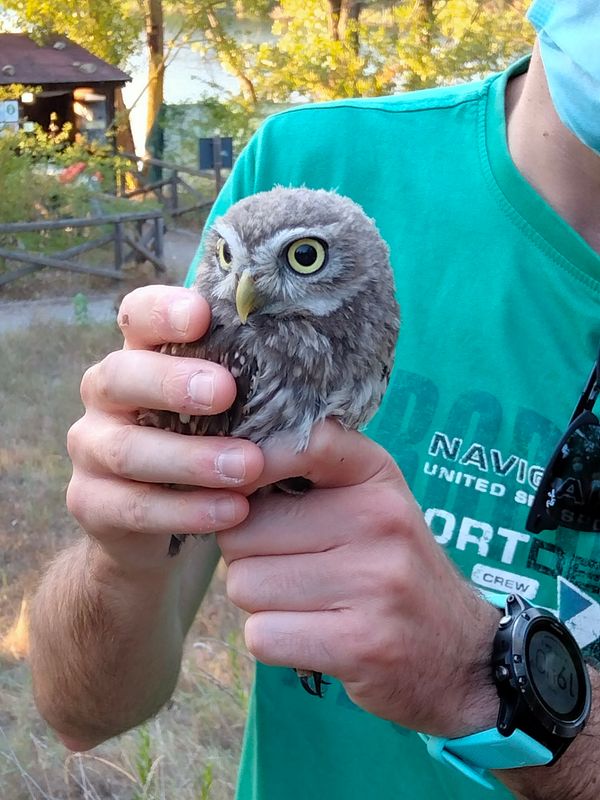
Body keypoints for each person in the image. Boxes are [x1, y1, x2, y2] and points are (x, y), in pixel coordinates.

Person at [29, 2, 600, 798]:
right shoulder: (310, 158)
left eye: (300, 260)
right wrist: (125, 554)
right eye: (232, 262)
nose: (250, 290)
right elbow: (79, 712)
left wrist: (477, 671)